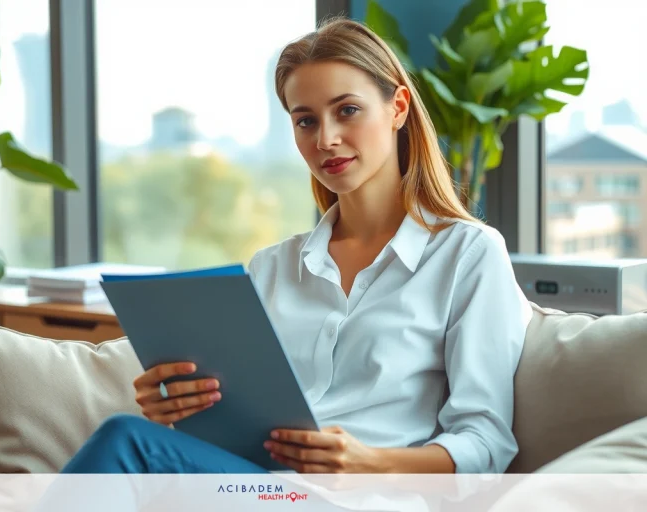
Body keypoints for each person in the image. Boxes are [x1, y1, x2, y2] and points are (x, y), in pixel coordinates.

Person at [58, 15, 532, 478]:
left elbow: (486, 443)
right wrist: (173, 406)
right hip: (252, 486)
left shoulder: (468, 253)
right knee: (135, 444)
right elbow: (234, 425)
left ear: (399, 108)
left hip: (360, 497)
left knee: (124, 441)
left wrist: (369, 462)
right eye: (305, 121)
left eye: (347, 110)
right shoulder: (272, 267)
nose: (326, 139)